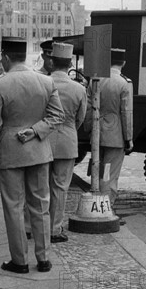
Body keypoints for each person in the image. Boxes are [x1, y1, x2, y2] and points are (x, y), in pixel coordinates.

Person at [0, 37, 64, 274]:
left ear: (6, 57)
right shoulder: (46, 81)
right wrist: (35, 131)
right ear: (25, 56)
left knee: (14, 206)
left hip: (10, 151)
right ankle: (44, 258)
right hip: (39, 151)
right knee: (41, 205)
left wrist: (7, 130)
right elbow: (56, 116)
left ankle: (19, 261)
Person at [46, 42, 86, 243]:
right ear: (70, 63)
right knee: (60, 187)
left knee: (38, 185)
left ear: (52, 61)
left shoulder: (42, 82)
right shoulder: (78, 89)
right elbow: (81, 118)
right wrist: (69, 129)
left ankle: (30, 226)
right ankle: (54, 229)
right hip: (67, 140)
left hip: (42, 139)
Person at [85, 48, 133, 207]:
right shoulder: (124, 83)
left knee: (97, 170)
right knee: (109, 174)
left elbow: (88, 108)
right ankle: (105, 207)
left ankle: (95, 202)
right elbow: (126, 114)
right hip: (115, 136)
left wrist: (89, 129)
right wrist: (128, 138)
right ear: (124, 63)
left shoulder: (95, 80)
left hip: (97, 133)